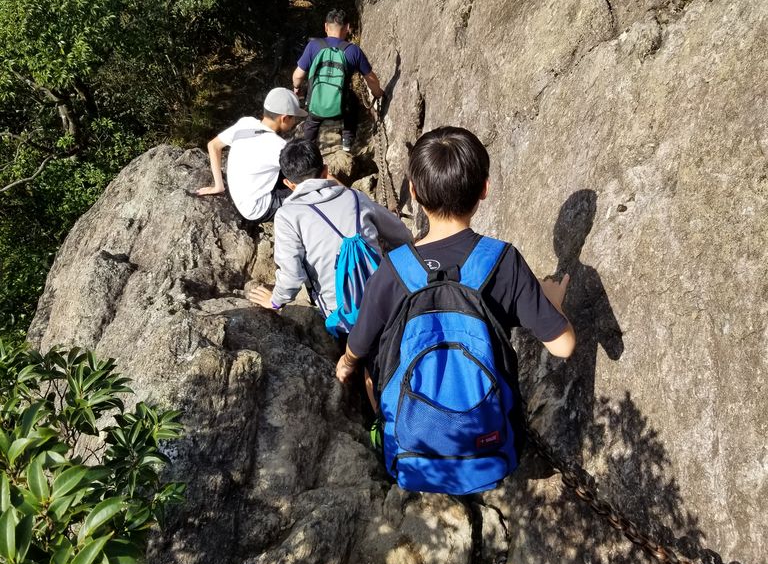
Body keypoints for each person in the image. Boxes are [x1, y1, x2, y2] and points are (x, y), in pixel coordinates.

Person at [335, 126, 576, 494]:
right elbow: (563, 346)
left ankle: (400, 443)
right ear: (484, 189)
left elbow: (362, 340)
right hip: (489, 447)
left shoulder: (395, 268)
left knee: (372, 370)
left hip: (411, 457)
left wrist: (348, 363)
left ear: (414, 193)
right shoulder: (502, 261)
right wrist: (551, 303)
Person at [249, 139, 412, 320]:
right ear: (326, 171)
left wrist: (275, 301)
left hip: (340, 313)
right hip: (384, 297)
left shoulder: (287, 215)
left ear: (289, 184)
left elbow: (292, 277)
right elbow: (402, 236)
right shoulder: (355, 197)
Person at [195, 88, 307, 224]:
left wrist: (219, 186)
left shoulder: (245, 123)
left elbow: (213, 146)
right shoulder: (277, 145)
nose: (295, 121)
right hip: (257, 208)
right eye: (293, 117)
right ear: (284, 118)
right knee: (309, 197)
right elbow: (310, 175)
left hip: (240, 195)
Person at [292, 9, 386, 153]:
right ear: (347, 28)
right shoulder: (353, 51)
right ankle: (347, 140)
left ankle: (308, 149)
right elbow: (371, 79)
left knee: (311, 122)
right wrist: (378, 93)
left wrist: (296, 89)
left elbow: (298, 76)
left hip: (316, 106)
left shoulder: (313, 46)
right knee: (353, 103)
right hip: (341, 109)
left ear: (325, 26)